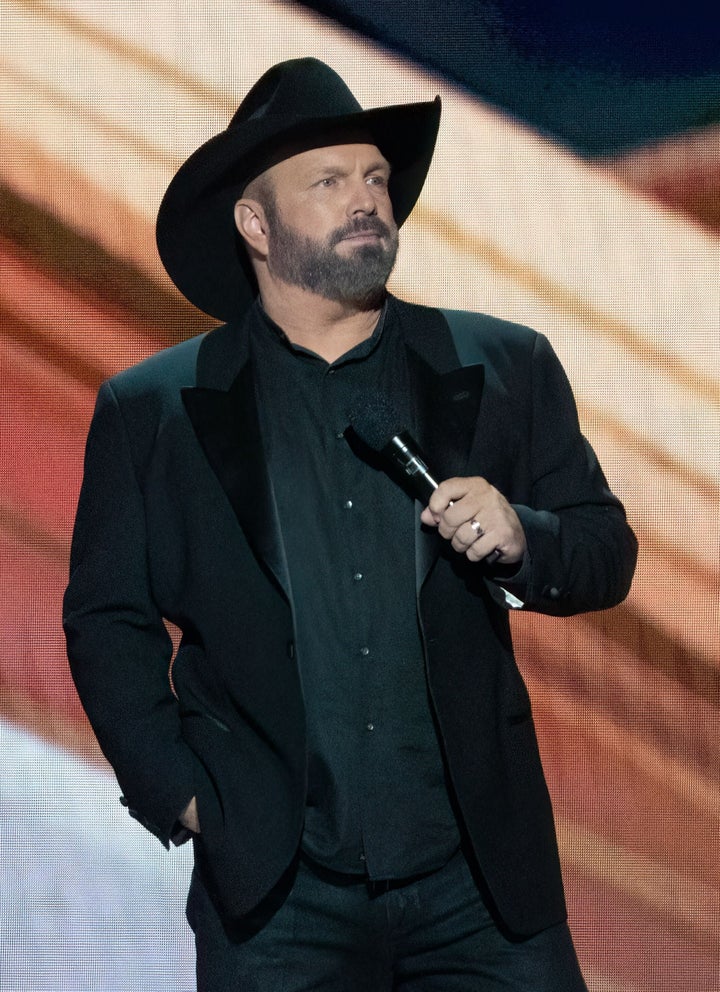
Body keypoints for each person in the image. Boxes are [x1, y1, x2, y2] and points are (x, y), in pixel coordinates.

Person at [64, 58, 637, 991]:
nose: (366, 199)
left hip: (482, 895)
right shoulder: (155, 410)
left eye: (376, 177)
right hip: (277, 901)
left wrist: (528, 536)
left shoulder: (502, 365)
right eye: (328, 181)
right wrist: (183, 796)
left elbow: (606, 549)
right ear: (255, 222)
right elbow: (106, 619)